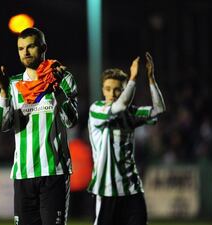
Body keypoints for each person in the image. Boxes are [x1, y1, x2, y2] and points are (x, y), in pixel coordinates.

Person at [0, 27, 78, 225]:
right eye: (21, 48)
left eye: (30, 46)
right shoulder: (12, 84)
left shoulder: (63, 79)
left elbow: (71, 121)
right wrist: (4, 92)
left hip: (53, 172)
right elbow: (1, 124)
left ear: (43, 47)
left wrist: (56, 90)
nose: (26, 52)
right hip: (23, 173)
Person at [87, 52, 166, 225]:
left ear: (124, 91)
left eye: (117, 89)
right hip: (106, 191)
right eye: (107, 89)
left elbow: (159, 109)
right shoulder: (97, 110)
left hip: (132, 189)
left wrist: (151, 79)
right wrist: (133, 78)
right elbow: (120, 105)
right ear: (102, 90)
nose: (112, 94)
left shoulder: (131, 114)